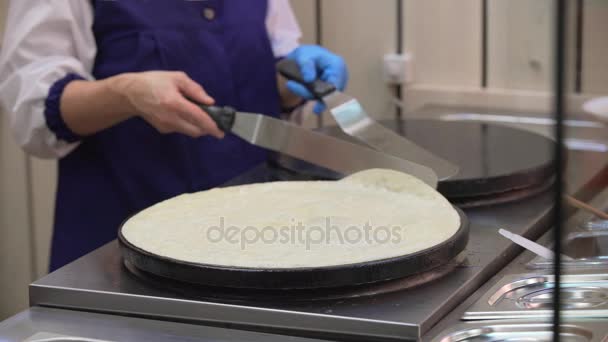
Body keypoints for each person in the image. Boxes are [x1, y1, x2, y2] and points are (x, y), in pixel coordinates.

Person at [0, 0, 348, 271]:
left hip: (256, 240)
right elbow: (33, 112)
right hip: (122, 254)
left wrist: (297, 81)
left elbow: (263, 72)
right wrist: (126, 93)